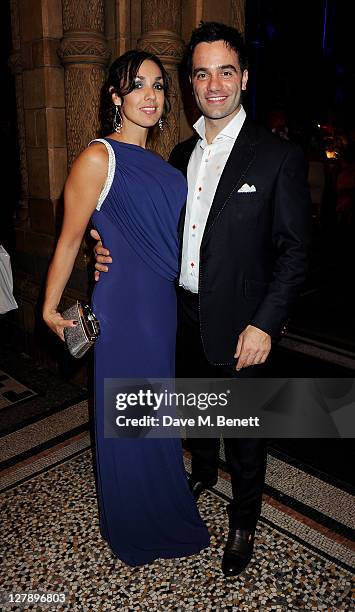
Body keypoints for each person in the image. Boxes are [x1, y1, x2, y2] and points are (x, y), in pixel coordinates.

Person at [93, 22, 311, 576]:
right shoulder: (179, 154)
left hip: (243, 322)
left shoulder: (275, 156)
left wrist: (265, 324)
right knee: (189, 411)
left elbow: (294, 253)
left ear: (244, 78)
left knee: (244, 431)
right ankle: (200, 473)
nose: (215, 84)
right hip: (177, 312)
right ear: (191, 84)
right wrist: (105, 246)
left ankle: (242, 522)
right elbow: (153, 228)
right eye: (202, 73)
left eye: (226, 71)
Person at [42, 49, 210, 567]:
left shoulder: (166, 163)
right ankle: (133, 519)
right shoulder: (99, 156)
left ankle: (162, 503)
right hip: (123, 306)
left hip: (160, 303)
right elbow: (70, 240)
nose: (150, 96)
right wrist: (49, 309)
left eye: (158, 85)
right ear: (116, 97)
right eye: (137, 85)